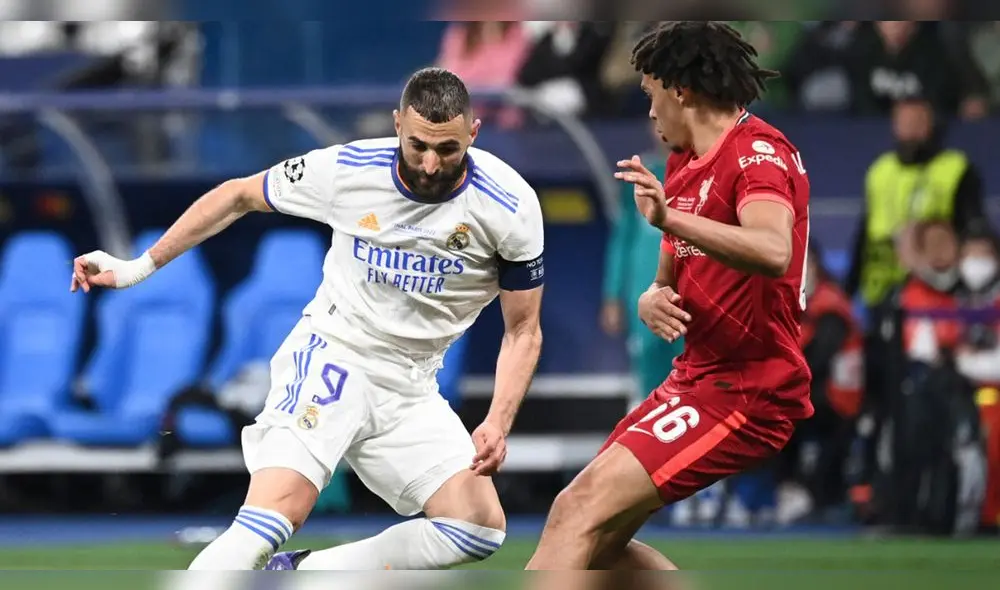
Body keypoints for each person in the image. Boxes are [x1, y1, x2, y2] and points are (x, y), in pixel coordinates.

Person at [70, 67, 545, 571]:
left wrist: (497, 421)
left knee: (476, 527)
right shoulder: (348, 170)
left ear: (473, 133)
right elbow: (237, 194)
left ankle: (302, 574)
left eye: (447, 149)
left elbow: (523, 330)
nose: (430, 164)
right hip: (335, 355)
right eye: (417, 146)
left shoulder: (509, 206)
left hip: (411, 386)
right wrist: (137, 267)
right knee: (275, 514)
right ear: (397, 126)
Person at [525, 22, 811, 570]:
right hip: (694, 379)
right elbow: (667, 277)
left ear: (679, 89)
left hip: (746, 389)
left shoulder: (757, 153)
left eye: (651, 92)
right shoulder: (681, 164)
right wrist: (650, 297)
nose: (650, 110)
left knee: (576, 511)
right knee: (598, 538)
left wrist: (670, 217)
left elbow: (773, 249)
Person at [601, 120, 685, 409]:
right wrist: (612, 295)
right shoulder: (638, 176)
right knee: (649, 376)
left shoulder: (700, 172)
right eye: (652, 122)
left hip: (687, 297)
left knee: (689, 373)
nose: (659, 128)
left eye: (665, 119)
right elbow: (622, 238)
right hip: (644, 294)